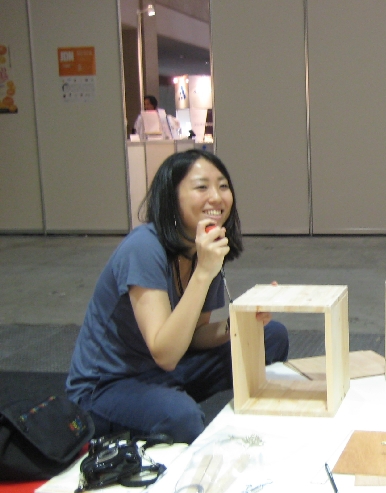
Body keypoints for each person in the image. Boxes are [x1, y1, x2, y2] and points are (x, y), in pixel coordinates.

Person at [65, 150, 289, 443]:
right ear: (171, 197)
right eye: (201, 187)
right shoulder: (144, 248)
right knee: (182, 417)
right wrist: (204, 272)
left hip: (164, 370)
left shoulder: (201, 248)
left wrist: (243, 319)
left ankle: (171, 403)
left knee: (269, 336)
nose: (216, 197)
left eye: (223, 186)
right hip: (107, 385)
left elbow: (195, 335)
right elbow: (166, 353)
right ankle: (160, 409)